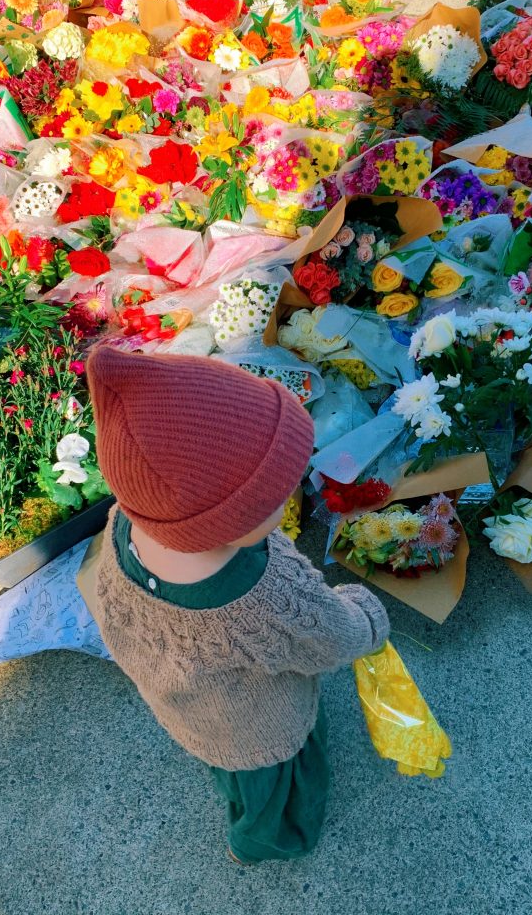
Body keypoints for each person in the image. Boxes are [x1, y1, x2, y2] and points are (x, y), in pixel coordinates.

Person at [86, 347, 390, 864]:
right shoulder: (261, 594)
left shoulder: (131, 520)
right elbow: (332, 638)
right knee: (271, 791)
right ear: (222, 522)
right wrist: (367, 615)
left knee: (232, 771)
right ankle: (260, 842)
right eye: (276, 494)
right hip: (258, 723)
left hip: (193, 708)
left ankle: (245, 807)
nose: (292, 492)